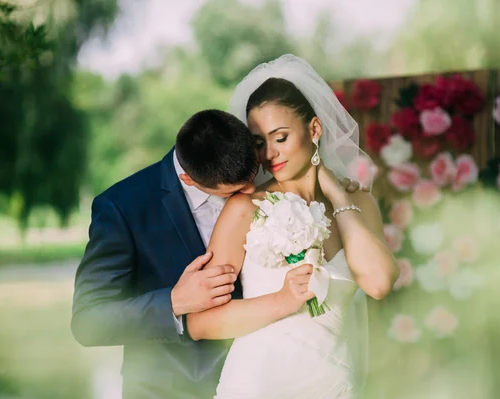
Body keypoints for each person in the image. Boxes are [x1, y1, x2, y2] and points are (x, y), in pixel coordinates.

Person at [71, 107, 364, 398]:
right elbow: (88, 322)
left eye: (253, 177)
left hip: (271, 376)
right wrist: (173, 301)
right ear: (189, 179)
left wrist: (334, 190)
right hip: (172, 389)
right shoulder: (123, 207)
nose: (251, 191)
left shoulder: (246, 167)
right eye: (235, 189)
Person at [185, 54, 399, 399]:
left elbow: (378, 284)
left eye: (280, 137)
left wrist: (334, 193)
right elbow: (200, 323)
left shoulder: (358, 205)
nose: (269, 154)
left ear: (314, 129)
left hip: (334, 385)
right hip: (259, 384)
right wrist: (284, 300)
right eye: (258, 142)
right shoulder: (245, 209)